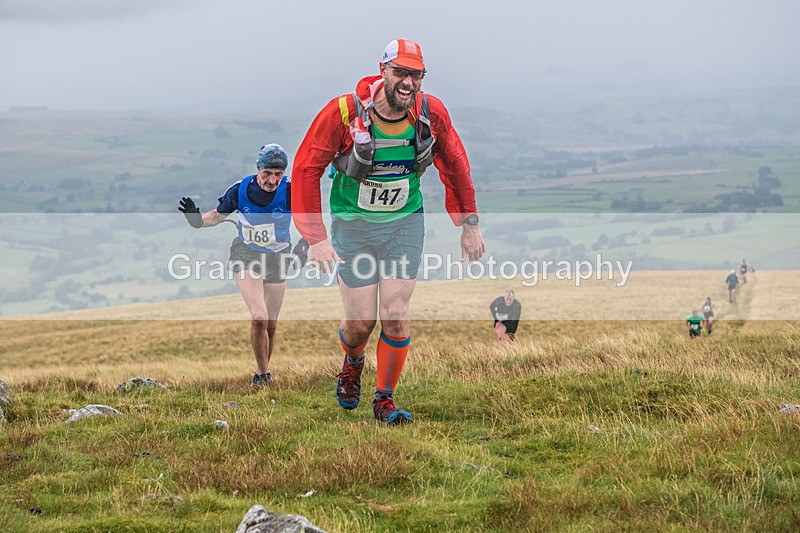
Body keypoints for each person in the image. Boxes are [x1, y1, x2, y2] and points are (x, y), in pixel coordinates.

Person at [291, 39, 485, 424]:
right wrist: (316, 238)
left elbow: (456, 163)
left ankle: (384, 400)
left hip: (404, 224)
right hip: (354, 227)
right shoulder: (344, 113)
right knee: (361, 322)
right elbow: (305, 169)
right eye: (401, 72)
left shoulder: (431, 113)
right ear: (383, 71)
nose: (408, 83)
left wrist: (469, 224)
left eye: (416, 75)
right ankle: (353, 361)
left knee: (395, 314)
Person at [178, 144, 308, 389]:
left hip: (279, 257)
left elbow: (311, 220)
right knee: (259, 317)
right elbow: (216, 216)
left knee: (271, 324)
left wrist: (305, 245)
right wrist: (197, 221)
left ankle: (263, 373)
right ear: (259, 169)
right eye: (267, 173)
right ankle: (263, 374)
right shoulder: (241, 189)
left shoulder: (292, 190)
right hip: (246, 254)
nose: (272, 180)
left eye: (278, 174)